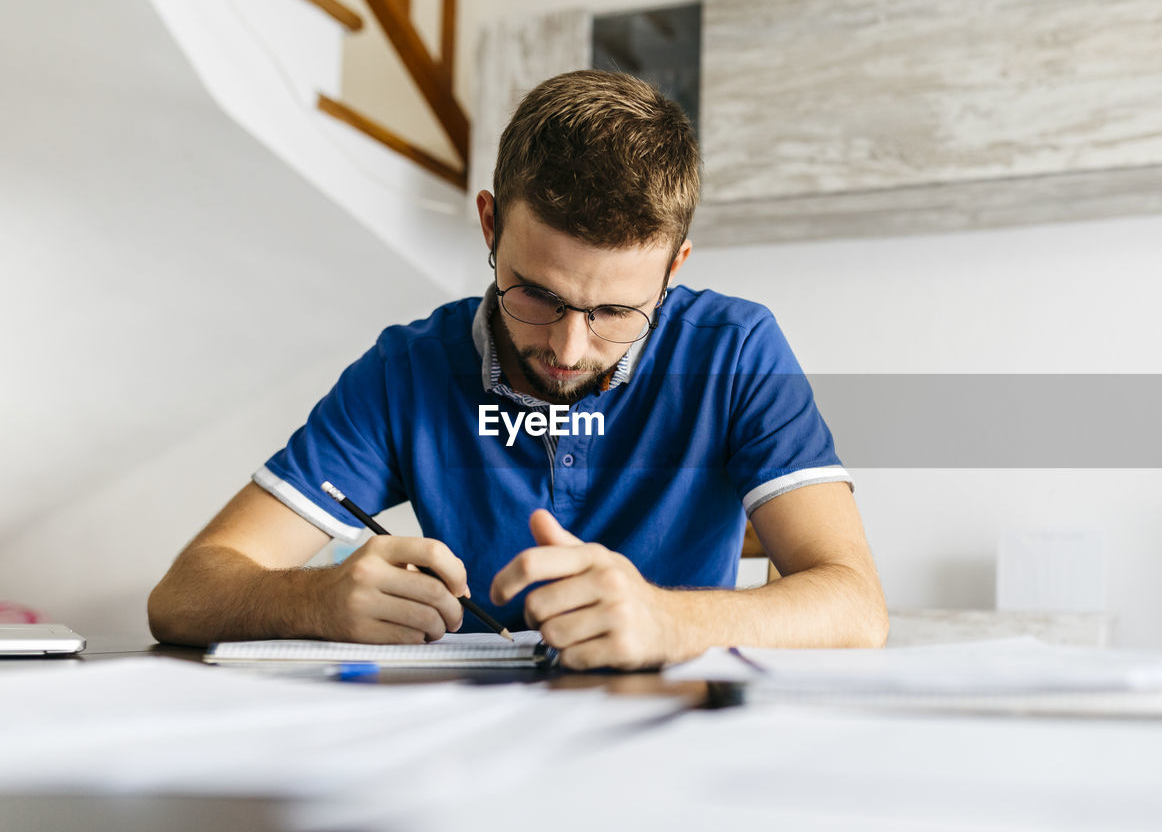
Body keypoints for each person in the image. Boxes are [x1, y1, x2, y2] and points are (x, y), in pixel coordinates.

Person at [148, 70, 888, 669]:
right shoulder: (406, 370)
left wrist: (668, 617)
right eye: (537, 294)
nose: (568, 348)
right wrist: (314, 599)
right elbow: (183, 593)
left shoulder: (735, 349)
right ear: (490, 225)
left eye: (616, 313)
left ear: (674, 269)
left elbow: (857, 605)